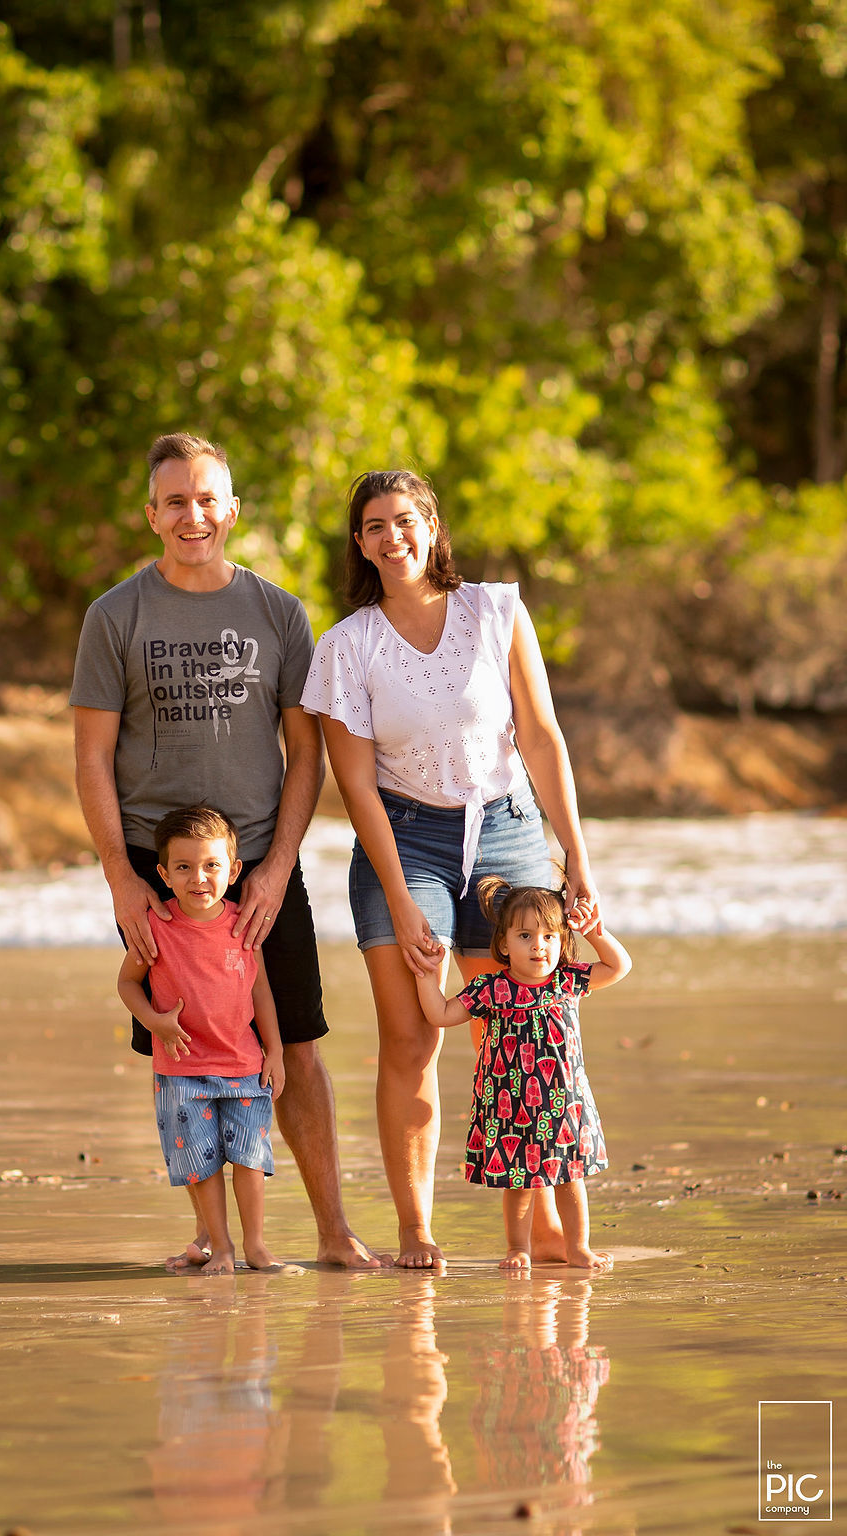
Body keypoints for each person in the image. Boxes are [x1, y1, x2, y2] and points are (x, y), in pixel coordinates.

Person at [71, 431, 378, 1270]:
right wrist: (120, 880)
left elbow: (306, 754)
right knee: (181, 1042)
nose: (192, 515)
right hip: (157, 869)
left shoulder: (279, 613)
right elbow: (91, 757)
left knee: (298, 1046)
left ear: (232, 510)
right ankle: (210, 1235)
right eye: (175, 501)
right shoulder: (115, 617)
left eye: (207, 499)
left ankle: (331, 1232)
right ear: (151, 515)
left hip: (253, 865)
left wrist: (276, 868)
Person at [301, 468, 601, 1270]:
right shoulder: (345, 647)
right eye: (373, 526)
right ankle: (416, 1229)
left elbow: (541, 739)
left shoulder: (495, 610)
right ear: (358, 544)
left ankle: (541, 1229)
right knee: (409, 1040)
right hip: (404, 844)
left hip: (507, 831)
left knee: (525, 1027)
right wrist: (400, 898)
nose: (390, 537)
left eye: (404, 520)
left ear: (431, 526)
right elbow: (354, 784)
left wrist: (575, 856)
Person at [416, 878, 631, 1273]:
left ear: (563, 940)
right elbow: (441, 1015)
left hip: (564, 1103)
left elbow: (619, 966)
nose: (539, 946)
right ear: (503, 944)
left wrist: (595, 932)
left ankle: (579, 1247)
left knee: (569, 1178)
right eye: (526, 935)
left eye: (550, 935)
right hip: (508, 1104)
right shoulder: (491, 988)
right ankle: (519, 1247)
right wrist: (427, 976)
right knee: (518, 1184)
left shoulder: (566, 981)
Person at [118, 805, 287, 1274]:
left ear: (233, 871)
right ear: (163, 874)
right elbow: (127, 983)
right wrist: (154, 1020)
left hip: (243, 1065)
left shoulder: (243, 924)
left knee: (252, 1159)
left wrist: (274, 1052)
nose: (199, 878)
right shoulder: (155, 926)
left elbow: (262, 992)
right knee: (203, 1164)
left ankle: (256, 1245)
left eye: (212, 865)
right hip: (182, 1069)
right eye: (184, 867)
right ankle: (223, 1248)